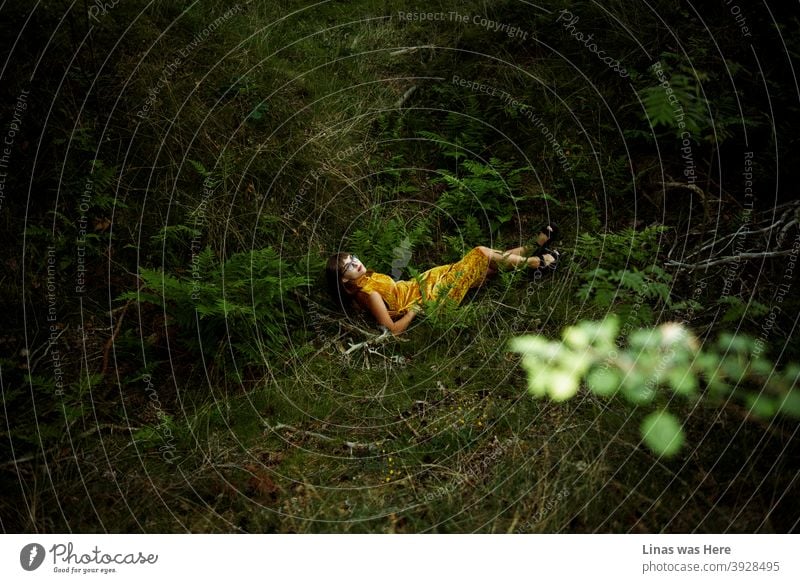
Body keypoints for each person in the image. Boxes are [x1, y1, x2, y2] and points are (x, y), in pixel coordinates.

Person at [325, 224, 559, 335]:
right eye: (349, 266)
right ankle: (538, 262)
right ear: (344, 280)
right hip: (432, 296)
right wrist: (414, 310)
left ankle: (531, 248)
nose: (356, 263)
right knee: (479, 253)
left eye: (353, 258)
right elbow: (393, 330)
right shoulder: (369, 294)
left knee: (487, 266)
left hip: (428, 281)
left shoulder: (367, 280)